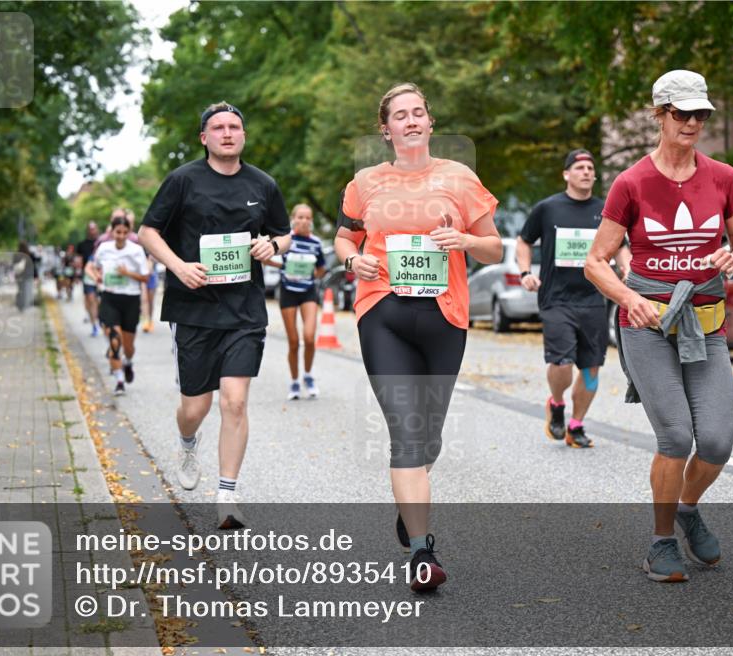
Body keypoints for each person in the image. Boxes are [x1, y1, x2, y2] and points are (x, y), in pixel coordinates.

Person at [585, 70, 733, 582]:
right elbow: (595, 262)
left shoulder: (724, 178)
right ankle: (661, 542)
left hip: (706, 324)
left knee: (717, 443)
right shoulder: (631, 182)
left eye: (700, 113)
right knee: (677, 437)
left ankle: (687, 508)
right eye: (682, 113)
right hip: (648, 325)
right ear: (660, 114)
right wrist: (629, 297)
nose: (693, 122)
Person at [334, 82, 502, 591]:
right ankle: (421, 553)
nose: (410, 121)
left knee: (428, 439)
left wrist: (464, 239)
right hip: (382, 311)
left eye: (417, 113)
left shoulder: (460, 177)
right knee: (406, 435)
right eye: (400, 116)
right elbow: (344, 237)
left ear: (430, 123)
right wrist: (352, 260)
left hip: (444, 317)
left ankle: (410, 504)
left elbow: (494, 248)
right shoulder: (365, 182)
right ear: (386, 130)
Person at [138, 102, 291, 529]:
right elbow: (147, 232)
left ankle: (227, 495)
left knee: (235, 401)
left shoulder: (263, 183)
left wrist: (272, 246)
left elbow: (283, 235)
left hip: (244, 310)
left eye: (234, 127)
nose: (227, 133)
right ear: (204, 137)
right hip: (194, 309)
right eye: (218, 127)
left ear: (243, 135)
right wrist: (178, 267)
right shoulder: (182, 180)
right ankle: (188, 442)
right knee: (195, 407)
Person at [517, 149, 629, 449]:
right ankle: (556, 403)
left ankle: (576, 425)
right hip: (556, 299)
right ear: (566, 174)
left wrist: (627, 268)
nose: (586, 172)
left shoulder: (605, 210)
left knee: (591, 369)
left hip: (593, 300)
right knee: (562, 362)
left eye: (590, 167)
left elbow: (620, 246)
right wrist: (525, 272)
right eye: (579, 167)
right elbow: (524, 241)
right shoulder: (548, 208)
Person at [265, 203, 327, 399]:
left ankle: (308, 375)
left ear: (312, 221)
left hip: (308, 292)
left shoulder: (316, 243)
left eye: (308, 218)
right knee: (293, 342)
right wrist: (283, 268)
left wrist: (310, 276)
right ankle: (294, 382)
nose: (304, 221)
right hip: (288, 292)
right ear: (293, 219)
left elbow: (321, 268)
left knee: (309, 337)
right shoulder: (286, 240)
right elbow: (267, 258)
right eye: (300, 217)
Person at [85, 217, 150, 396]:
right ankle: (119, 380)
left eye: (124, 232)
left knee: (128, 346)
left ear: (129, 232)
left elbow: (145, 277)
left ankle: (128, 362)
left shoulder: (136, 250)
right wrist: (97, 276)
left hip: (131, 299)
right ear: (111, 232)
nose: (121, 236)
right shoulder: (104, 248)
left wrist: (127, 273)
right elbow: (91, 267)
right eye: (117, 232)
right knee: (115, 340)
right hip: (109, 298)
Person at [76, 222, 101, 336]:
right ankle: (94, 325)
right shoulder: (82, 244)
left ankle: (98, 318)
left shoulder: (102, 242)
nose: (92, 231)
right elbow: (79, 261)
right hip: (87, 276)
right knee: (90, 299)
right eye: (90, 229)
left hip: (101, 275)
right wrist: (77, 275)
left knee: (98, 301)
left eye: (94, 228)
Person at [14, 241, 36, 311]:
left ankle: (20, 303)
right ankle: (25, 304)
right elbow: (33, 266)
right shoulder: (30, 254)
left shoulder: (17, 255)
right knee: (27, 290)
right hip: (28, 275)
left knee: (20, 289)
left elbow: (15, 266)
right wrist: (36, 275)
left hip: (20, 275)